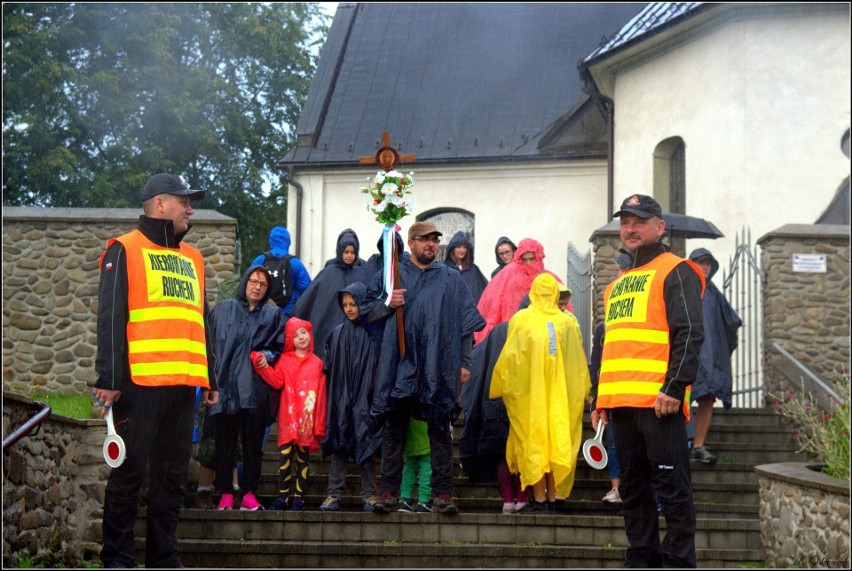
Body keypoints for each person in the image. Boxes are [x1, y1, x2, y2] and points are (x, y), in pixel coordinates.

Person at [93, 172, 219, 568]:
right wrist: (110, 380)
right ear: (161, 204)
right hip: (137, 385)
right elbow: (111, 317)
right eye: (184, 201)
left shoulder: (194, 258)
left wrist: (210, 376)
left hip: (182, 389)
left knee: (170, 480)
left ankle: (164, 558)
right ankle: (116, 559)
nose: (190, 209)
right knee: (129, 475)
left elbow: (202, 321)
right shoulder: (124, 249)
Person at [591, 193, 705, 568]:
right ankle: (641, 558)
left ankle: (678, 562)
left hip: (659, 403)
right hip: (621, 405)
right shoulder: (617, 283)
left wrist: (675, 387)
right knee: (634, 489)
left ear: (659, 226)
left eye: (639, 221)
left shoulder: (677, 269)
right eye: (625, 222)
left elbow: (688, 332)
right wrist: (600, 399)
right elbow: (610, 347)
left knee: (672, 489)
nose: (630, 228)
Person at [361, 221, 485, 515]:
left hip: (438, 364)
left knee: (440, 429)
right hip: (400, 362)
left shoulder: (450, 278)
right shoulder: (393, 274)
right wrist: (388, 303)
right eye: (425, 240)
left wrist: (465, 362)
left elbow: (466, 322)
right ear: (412, 243)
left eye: (434, 240)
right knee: (395, 429)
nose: (431, 244)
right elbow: (365, 309)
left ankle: (442, 494)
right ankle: (389, 493)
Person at [490, 273, 591, 514]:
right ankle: (550, 500)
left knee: (535, 444)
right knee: (553, 445)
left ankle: (540, 500)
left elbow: (511, 358)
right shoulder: (564, 322)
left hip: (531, 399)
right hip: (557, 398)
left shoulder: (523, 319)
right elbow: (576, 363)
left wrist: (505, 386)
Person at [207, 265, 284, 511]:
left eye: (263, 284)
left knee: (253, 447)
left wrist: (266, 355)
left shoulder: (273, 316)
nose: (257, 287)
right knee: (224, 445)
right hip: (226, 388)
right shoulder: (223, 310)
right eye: (254, 281)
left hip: (254, 390)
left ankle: (249, 493)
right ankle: (225, 494)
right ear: (245, 282)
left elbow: (280, 348)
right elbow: (209, 344)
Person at [459, 297, 532, 515]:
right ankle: (522, 497)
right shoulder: (532, 331)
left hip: (497, 399)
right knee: (522, 453)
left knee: (502, 452)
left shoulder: (500, 330)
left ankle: (508, 500)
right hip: (524, 401)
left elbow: (481, 357)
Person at [318, 283, 383, 513]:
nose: (349, 308)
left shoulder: (373, 333)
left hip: (365, 398)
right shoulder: (336, 333)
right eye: (345, 304)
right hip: (341, 398)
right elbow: (328, 367)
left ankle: (370, 495)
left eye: (353, 304)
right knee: (339, 447)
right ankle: (333, 494)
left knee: (366, 445)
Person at [251, 317, 327, 511]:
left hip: (307, 421)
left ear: (310, 335)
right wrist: (262, 366)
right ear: (289, 341)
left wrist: (319, 424)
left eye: (303, 333)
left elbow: (321, 395)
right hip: (288, 418)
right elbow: (276, 381)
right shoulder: (284, 360)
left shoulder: (318, 363)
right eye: (296, 335)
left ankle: (299, 497)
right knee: (285, 457)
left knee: (303, 458)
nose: (301, 337)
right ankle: (282, 497)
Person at [687, 248, 743, 465]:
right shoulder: (681, 289)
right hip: (687, 355)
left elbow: (730, 322)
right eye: (700, 262)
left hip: (710, 358)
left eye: (707, 263)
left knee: (707, 398)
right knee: (682, 398)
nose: (705, 266)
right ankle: (682, 443)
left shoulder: (714, 294)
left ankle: (698, 445)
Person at [588, 252, 632, 504]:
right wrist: (596, 398)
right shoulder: (603, 329)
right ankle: (616, 488)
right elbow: (597, 363)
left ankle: (630, 487)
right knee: (613, 440)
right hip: (612, 391)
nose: (617, 276)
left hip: (635, 391)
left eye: (621, 271)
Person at [291, 228, 369, 361]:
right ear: (340, 251)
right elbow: (312, 297)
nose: (349, 255)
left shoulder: (363, 271)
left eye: (352, 252)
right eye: (346, 252)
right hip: (332, 328)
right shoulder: (329, 271)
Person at [475, 237, 563, 343]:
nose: (529, 263)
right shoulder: (507, 273)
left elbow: (563, 305)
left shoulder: (548, 278)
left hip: (542, 332)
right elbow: (494, 303)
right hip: (515, 329)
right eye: (525, 260)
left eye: (532, 259)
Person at [250, 226, 312, 318]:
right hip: (287, 315)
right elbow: (307, 290)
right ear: (288, 242)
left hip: (262, 314)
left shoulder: (260, 260)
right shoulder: (295, 263)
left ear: (271, 240)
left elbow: (248, 284)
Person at [397, 419, 433, 513]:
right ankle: (424, 500)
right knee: (426, 465)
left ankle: (405, 498)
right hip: (425, 427)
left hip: (410, 428)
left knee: (409, 465)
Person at [444, 231, 489, 304]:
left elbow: (486, 289)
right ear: (452, 249)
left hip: (469, 312)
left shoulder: (474, 269)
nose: (462, 250)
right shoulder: (445, 269)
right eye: (458, 247)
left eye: (464, 247)